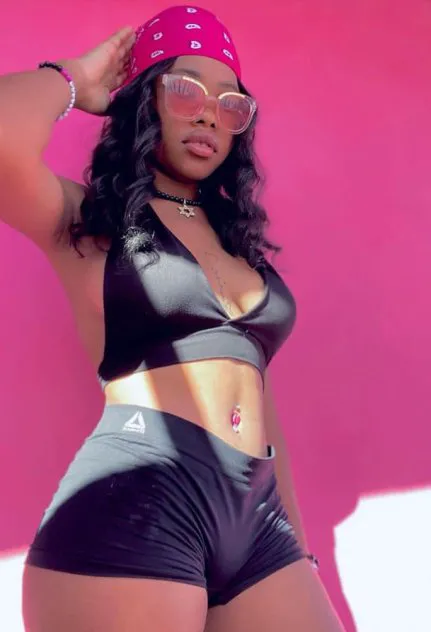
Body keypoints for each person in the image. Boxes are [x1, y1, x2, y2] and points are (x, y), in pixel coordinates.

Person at [0, 6, 346, 631]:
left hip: (257, 522)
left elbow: (258, 399)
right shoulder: (91, 223)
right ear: (145, 100)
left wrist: (298, 548)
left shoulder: (238, 244)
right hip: (137, 503)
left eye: (231, 104)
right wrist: (75, 79)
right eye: (186, 90)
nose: (209, 113)